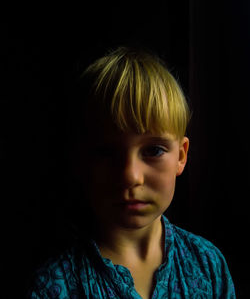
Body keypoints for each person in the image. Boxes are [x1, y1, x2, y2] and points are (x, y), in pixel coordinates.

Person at [28, 46, 236, 298]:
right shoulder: (53, 286)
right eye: (107, 152)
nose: (130, 176)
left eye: (153, 150)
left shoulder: (208, 264)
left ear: (181, 156)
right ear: (81, 159)